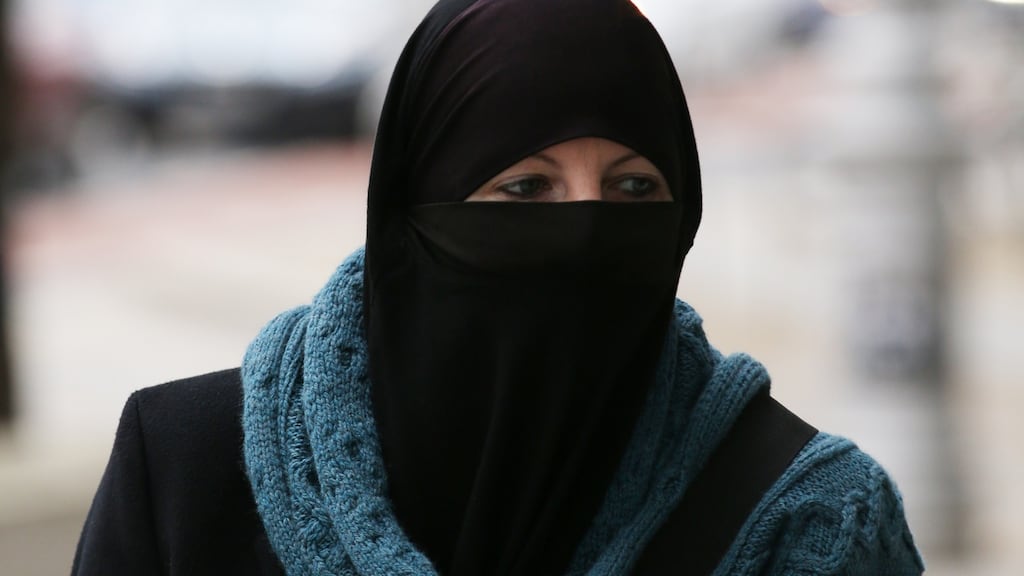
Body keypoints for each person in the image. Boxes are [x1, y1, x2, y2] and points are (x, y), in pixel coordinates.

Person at [72, 0, 925, 574]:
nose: (585, 229)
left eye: (634, 188)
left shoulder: (809, 518)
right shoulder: (185, 467)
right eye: (525, 189)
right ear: (413, 212)